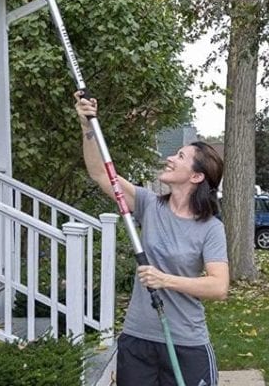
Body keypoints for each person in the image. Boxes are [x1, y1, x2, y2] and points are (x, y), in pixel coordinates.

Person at [75, 92, 229, 386]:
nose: (170, 158)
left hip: (186, 343)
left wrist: (164, 280)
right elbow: (100, 174)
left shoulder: (210, 228)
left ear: (196, 177)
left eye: (180, 156)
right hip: (138, 338)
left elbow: (218, 287)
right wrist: (87, 127)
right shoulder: (149, 204)